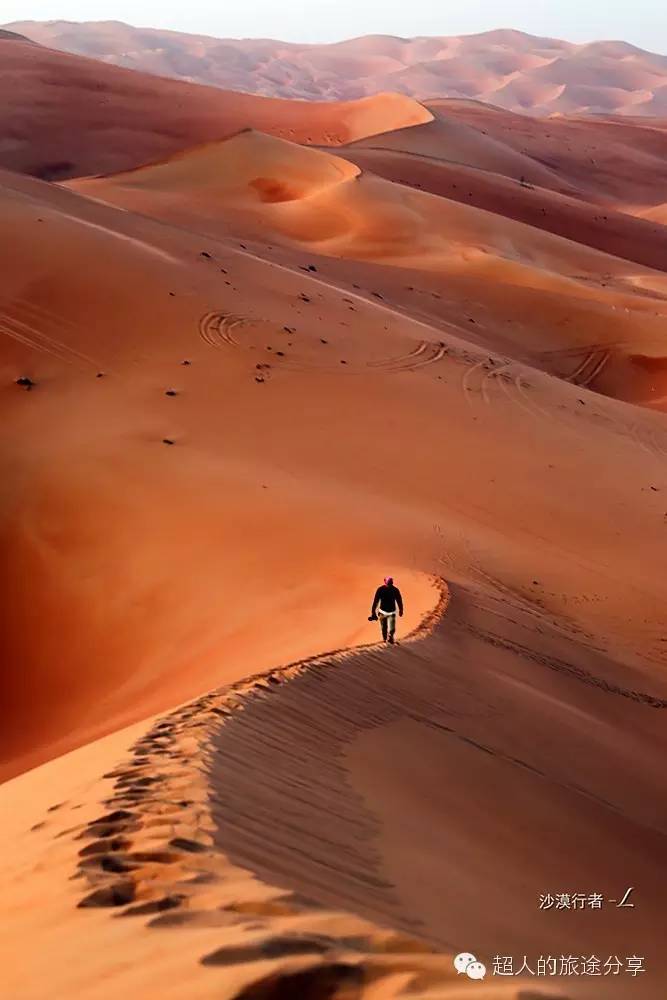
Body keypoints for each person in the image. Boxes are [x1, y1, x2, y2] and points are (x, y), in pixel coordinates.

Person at [368, 576, 403, 643]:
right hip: (382, 612)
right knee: (384, 627)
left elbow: (399, 600)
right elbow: (376, 601)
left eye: (390, 582)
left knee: (391, 627)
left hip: (391, 612)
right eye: (388, 582)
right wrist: (373, 612)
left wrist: (401, 610)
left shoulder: (395, 590)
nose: (389, 583)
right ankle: (385, 640)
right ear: (385, 582)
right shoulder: (380, 589)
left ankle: (390, 637)